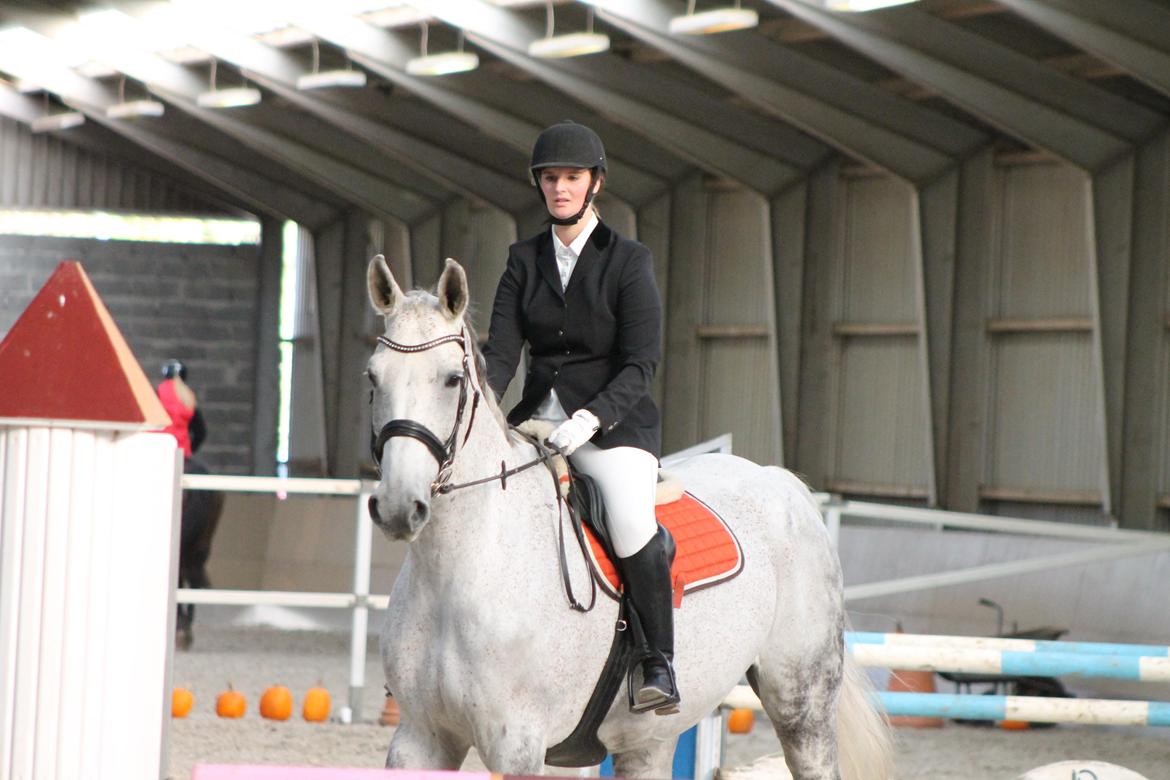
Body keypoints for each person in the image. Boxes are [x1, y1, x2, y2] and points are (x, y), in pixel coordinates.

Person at [482, 120, 678, 714]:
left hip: (612, 426)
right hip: (535, 421)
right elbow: (500, 355)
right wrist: (483, 412)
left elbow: (641, 362)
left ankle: (657, 661)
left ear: (595, 183)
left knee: (629, 519)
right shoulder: (522, 260)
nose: (560, 188)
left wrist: (592, 418)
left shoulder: (629, 261)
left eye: (571, 177)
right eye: (550, 179)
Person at [158, 359, 223, 650]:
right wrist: (189, 452)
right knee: (193, 553)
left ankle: (174, 622)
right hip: (184, 457)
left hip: (162, 456)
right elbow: (203, 431)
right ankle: (188, 622)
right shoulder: (189, 398)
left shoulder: (157, 394)